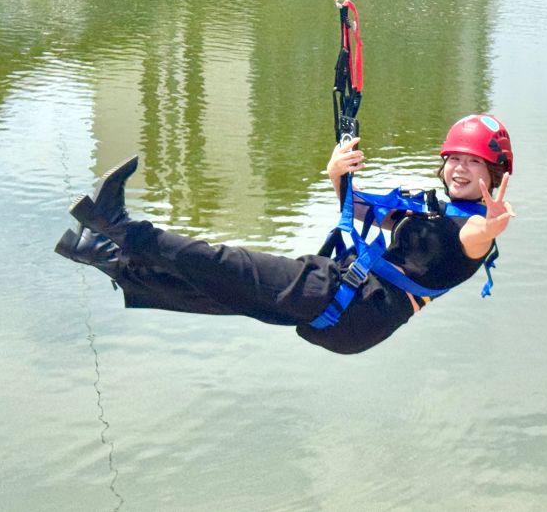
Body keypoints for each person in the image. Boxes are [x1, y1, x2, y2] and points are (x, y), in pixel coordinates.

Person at [55, 114, 516, 355]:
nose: (460, 169)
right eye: (455, 158)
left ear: (494, 173)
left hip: (355, 303)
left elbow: (479, 236)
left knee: (227, 264)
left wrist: (493, 222)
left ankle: (118, 224)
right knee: (220, 292)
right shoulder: (428, 210)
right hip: (349, 311)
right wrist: (337, 173)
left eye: (474, 162)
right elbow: (354, 208)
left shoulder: (473, 232)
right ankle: (105, 255)